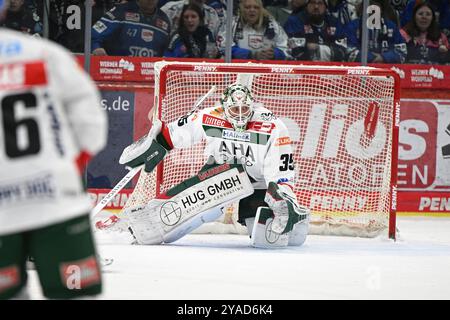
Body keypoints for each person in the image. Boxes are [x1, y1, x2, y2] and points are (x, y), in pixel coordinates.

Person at [0, 0, 108, 299]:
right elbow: (92, 126)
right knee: (76, 295)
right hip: (55, 200)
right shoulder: (44, 54)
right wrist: (65, 171)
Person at [119, 82, 310, 249]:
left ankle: (297, 219)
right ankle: (154, 223)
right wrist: (156, 146)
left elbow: (281, 168)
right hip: (220, 171)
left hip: (258, 180)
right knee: (195, 206)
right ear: (225, 108)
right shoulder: (210, 116)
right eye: (235, 110)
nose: (241, 115)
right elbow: (173, 133)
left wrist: (282, 196)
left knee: (266, 236)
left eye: (245, 109)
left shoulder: (273, 125)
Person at [91, 0, 171, 57]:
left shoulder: (164, 20)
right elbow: (92, 34)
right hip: (120, 71)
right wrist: (96, 48)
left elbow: (167, 51)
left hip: (150, 75)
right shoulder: (120, 11)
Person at [218, 0, 290, 60]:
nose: (252, 10)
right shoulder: (232, 23)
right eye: (247, 7)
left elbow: (286, 48)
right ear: (241, 9)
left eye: (256, 7)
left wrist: (274, 54)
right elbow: (222, 47)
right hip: (238, 68)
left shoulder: (272, 25)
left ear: (261, 10)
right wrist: (251, 55)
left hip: (265, 70)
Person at [342, 0, 407, 63]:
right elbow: (347, 51)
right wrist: (371, 57)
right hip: (360, 69)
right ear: (363, 9)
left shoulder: (391, 26)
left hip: (386, 69)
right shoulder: (353, 26)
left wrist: (383, 57)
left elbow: (402, 52)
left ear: (381, 9)